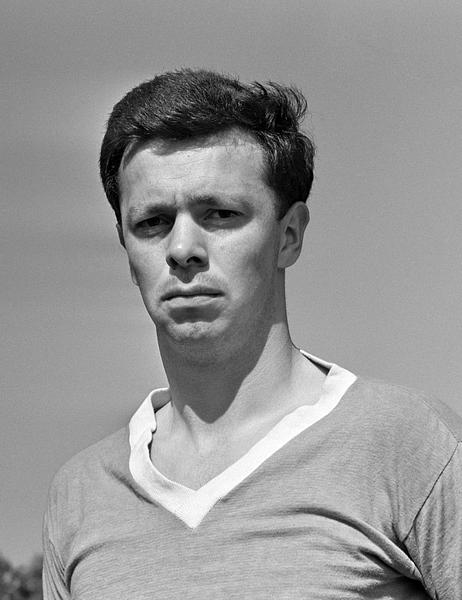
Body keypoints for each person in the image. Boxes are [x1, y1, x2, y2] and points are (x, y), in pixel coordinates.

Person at [42, 69, 462, 599]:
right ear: (126, 248)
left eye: (220, 214)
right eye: (152, 222)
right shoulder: (79, 496)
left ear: (289, 236)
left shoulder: (409, 444)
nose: (182, 249)